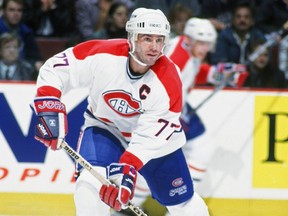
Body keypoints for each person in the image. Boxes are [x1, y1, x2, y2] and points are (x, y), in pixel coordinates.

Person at [31, 7, 210, 216]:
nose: (154, 47)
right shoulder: (102, 54)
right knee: (88, 188)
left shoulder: (169, 78)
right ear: (131, 38)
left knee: (184, 205)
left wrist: (128, 166)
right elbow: (55, 68)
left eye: (159, 40)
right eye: (147, 38)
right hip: (105, 128)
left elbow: (151, 135)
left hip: (156, 145)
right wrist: (49, 105)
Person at [129, 18, 248, 215]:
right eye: (201, 43)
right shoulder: (178, 55)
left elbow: (192, 72)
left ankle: (174, 205)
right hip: (157, 113)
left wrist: (220, 74)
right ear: (191, 39)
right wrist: (170, 116)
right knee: (152, 158)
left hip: (172, 109)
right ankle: (138, 204)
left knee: (202, 147)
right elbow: (157, 84)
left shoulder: (187, 49)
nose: (204, 49)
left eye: (208, 44)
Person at [0, 0, 43, 71]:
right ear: (3, 11)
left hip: (21, 69)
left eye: (19, 10)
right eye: (11, 10)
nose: (16, 14)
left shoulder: (26, 31)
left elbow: (35, 57)